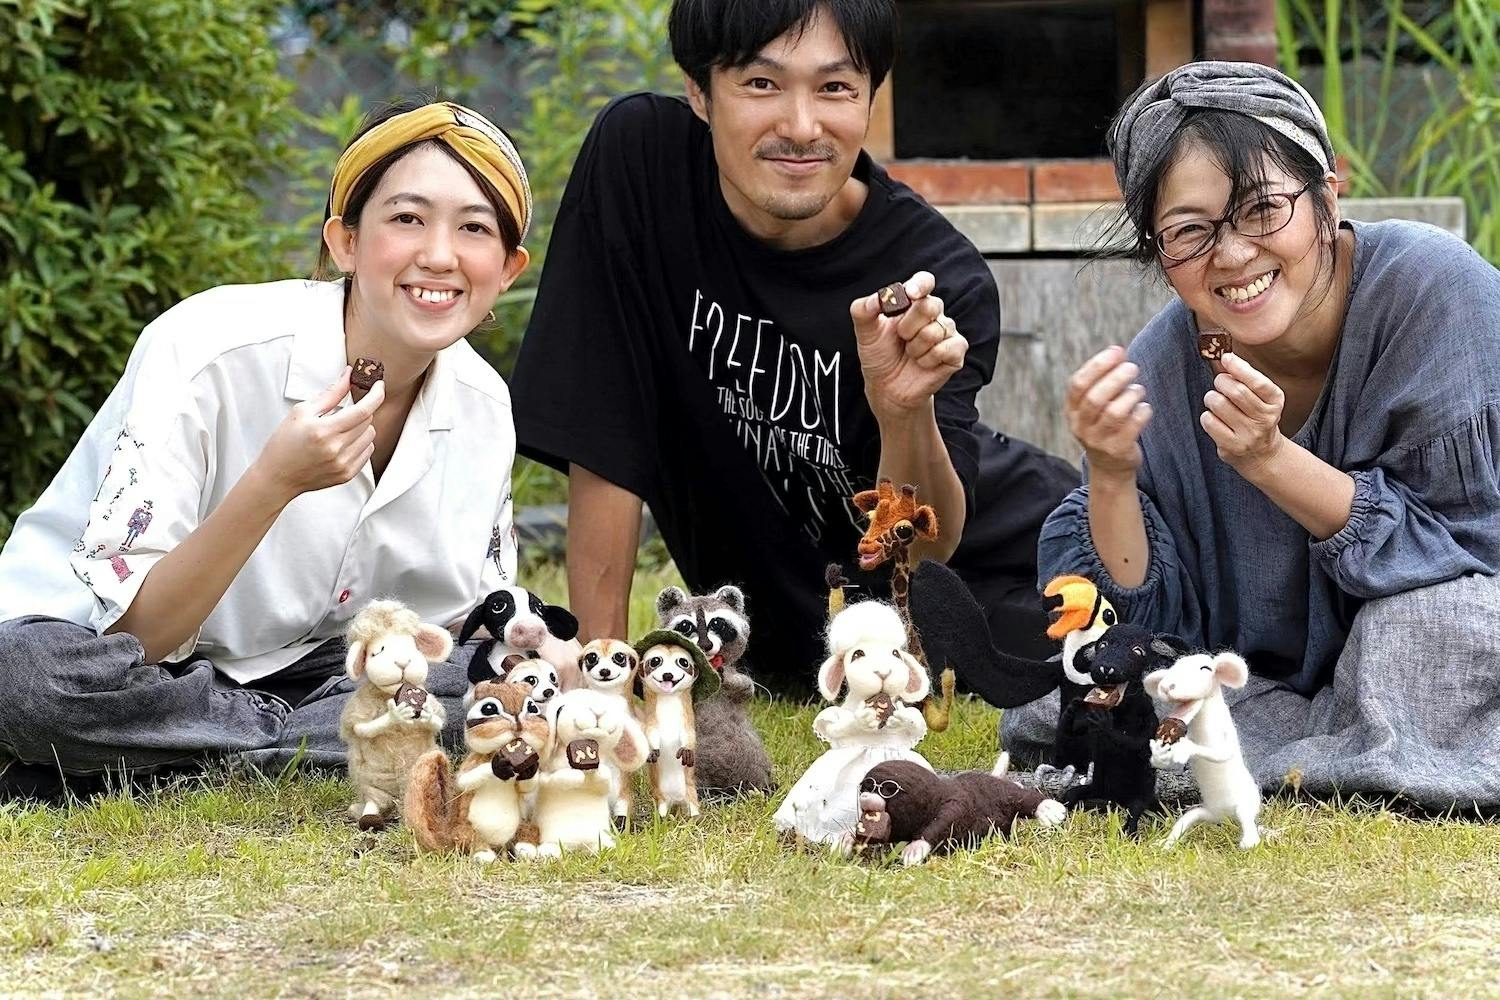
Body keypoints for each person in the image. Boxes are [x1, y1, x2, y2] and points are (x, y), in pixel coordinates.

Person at [510, 0, 1076, 686]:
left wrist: (903, 412)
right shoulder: (646, 167)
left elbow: (925, 557)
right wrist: (599, 676)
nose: (802, 127)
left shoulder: (932, 276)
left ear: (870, 96)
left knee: (1102, 653)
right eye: (761, 83)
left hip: (1015, 560)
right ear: (699, 91)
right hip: (795, 633)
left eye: (835, 87)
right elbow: (605, 433)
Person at [1000, 61, 1500, 809]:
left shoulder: (1434, 291)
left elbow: (1473, 549)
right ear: (1158, 251)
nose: (1232, 255)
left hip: (1419, 642)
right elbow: (1142, 627)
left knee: (1432, 630)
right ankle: (1343, 744)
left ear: (1328, 195)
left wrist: (1270, 460)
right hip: (1255, 684)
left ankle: (1290, 744)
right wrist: (1110, 473)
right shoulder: (1160, 366)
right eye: (1190, 232)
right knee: (1080, 684)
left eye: (1263, 209)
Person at [0, 99, 533, 799]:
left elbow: (462, 629)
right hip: (111, 660)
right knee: (23, 682)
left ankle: (139, 765)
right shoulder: (206, 346)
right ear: (345, 242)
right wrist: (273, 482)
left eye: (474, 228)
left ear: (509, 268)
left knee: (500, 692)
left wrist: (525, 654)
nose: (439, 255)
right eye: (407, 218)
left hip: (318, 674)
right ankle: (297, 749)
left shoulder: (484, 404)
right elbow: (138, 635)